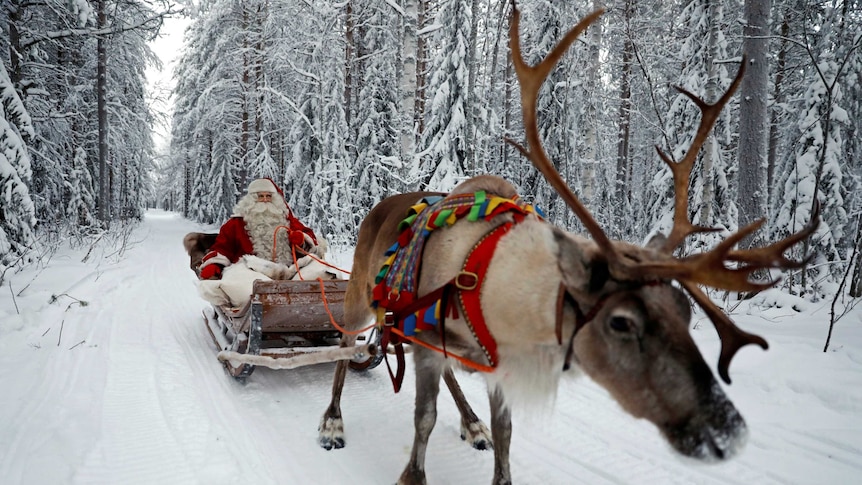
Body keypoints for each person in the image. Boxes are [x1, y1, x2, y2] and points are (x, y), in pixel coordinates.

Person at [199, 178, 322, 281]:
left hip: (289, 273)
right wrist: (215, 264)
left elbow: (310, 240)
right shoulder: (235, 224)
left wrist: (301, 240)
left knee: (320, 272)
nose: (264, 200)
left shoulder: (288, 221)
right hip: (251, 272)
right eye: (260, 196)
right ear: (251, 199)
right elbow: (223, 247)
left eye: (268, 196)